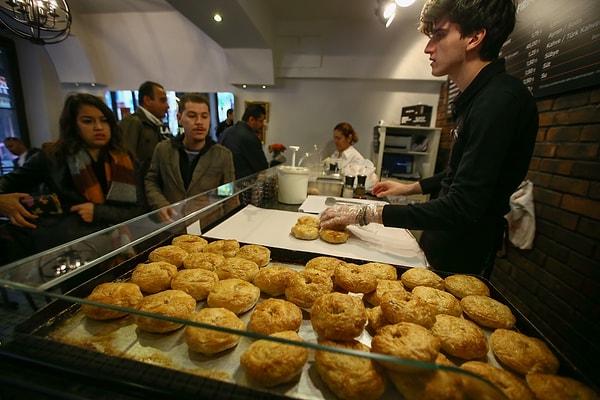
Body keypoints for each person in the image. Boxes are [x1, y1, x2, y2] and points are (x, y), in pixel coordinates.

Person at [320, 0, 538, 278]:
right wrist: (408, 188)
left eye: (440, 35)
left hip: (462, 255)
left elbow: (462, 206)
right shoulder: (479, 98)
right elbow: (458, 175)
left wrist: (367, 214)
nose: (428, 48)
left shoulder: (499, 101)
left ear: (474, 37)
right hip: (443, 243)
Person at [0, 93, 145, 264]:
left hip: (114, 245)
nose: (98, 127)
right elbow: (8, 184)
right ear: (73, 125)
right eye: (88, 121)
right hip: (65, 251)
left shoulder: (124, 159)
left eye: (104, 120)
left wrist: (98, 212)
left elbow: (139, 208)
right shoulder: (52, 157)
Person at [145, 93, 236, 224]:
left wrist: (230, 224)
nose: (199, 122)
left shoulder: (222, 154)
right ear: (179, 118)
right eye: (192, 116)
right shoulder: (163, 149)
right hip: (172, 224)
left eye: (204, 116)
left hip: (208, 225)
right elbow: (151, 181)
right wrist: (160, 204)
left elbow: (228, 193)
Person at [119, 81, 170, 174]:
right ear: (147, 100)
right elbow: (126, 159)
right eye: (162, 100)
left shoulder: (155, 125)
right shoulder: (133, 122)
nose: (167, 106)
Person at [218, 103, 269, 179]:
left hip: (223, 181)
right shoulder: (251, 138)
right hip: (242, 183)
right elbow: (262, 167)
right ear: (251, 119)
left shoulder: (225, 133)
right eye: (260, 121)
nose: (262, 125)